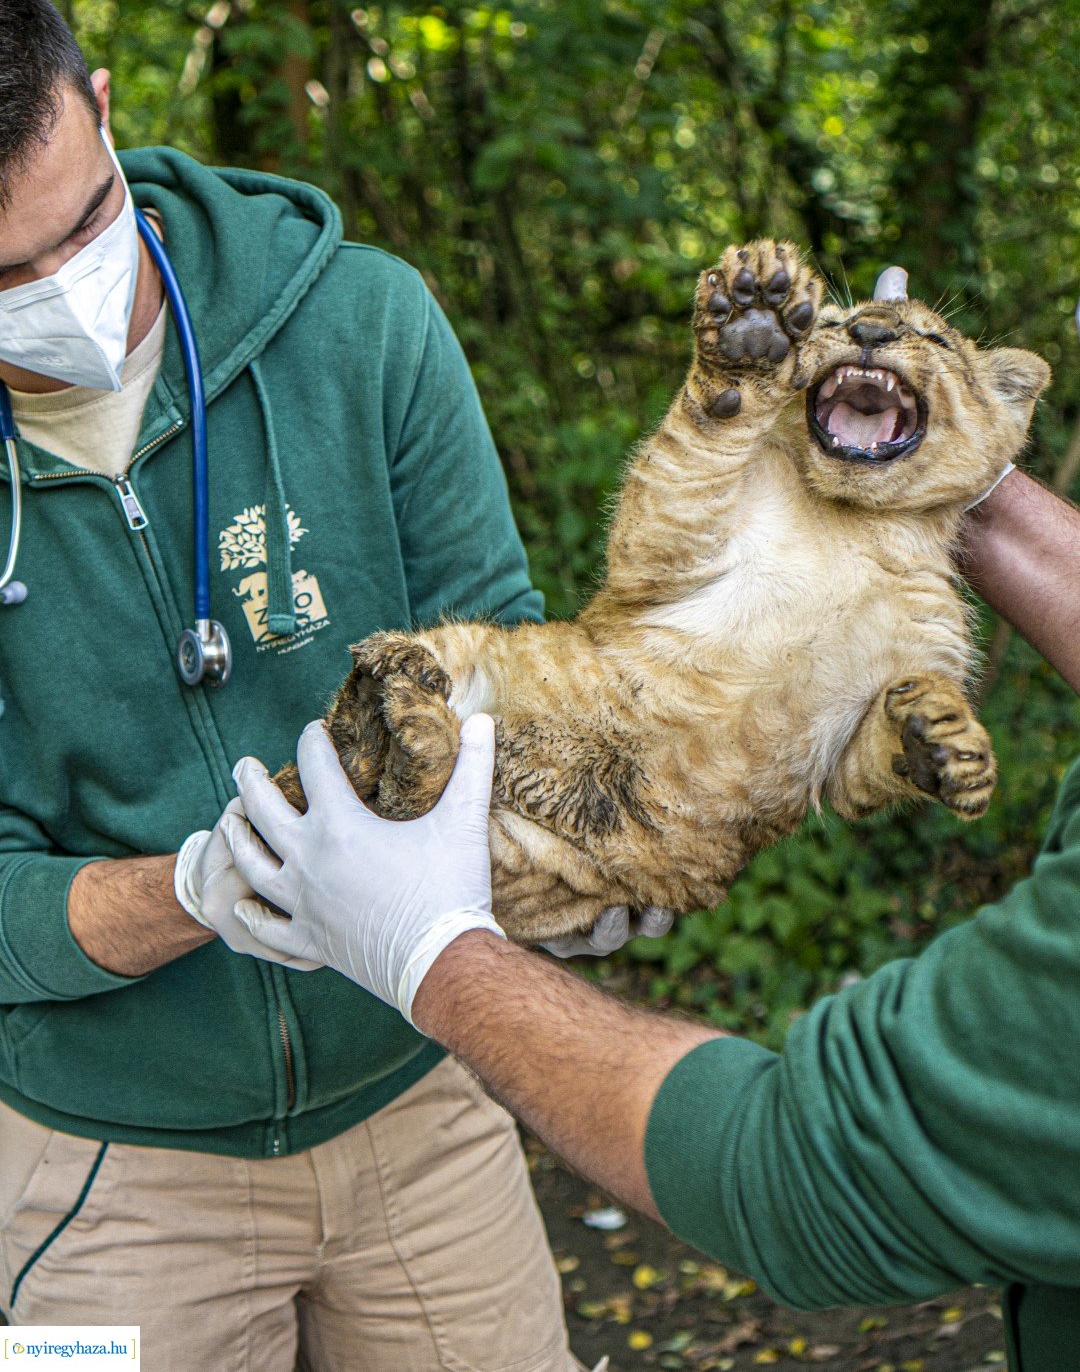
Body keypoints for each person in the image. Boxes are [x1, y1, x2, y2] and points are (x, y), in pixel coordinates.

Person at [0, 0, 661, 1369]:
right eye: (4, 279)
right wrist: (195, 890)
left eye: (86, 226)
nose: (63, 294)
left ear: (102, 106)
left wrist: (560, 862)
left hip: (418, 1087)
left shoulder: (359, 322)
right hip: (98, 1161)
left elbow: (497, 660)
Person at [224, 466, 1080, 1372]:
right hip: (141, 1163)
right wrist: (941, 455)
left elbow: (800, 1166)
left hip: (419, 1120)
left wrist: (431, 952)